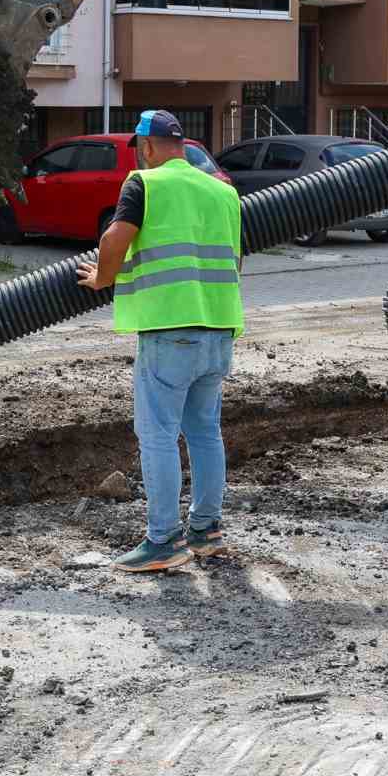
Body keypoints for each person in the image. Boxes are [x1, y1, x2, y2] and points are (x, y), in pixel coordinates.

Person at [76, 110, 243, 572]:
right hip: (219, 328)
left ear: (146, 147)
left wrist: (102, 277)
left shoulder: (144, 184)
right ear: (182, 145)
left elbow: (116, 236)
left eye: (139, 149)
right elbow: (235, 260)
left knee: (158, 436)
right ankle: (207, 530)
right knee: (206, 431)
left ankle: (164, 540)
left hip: (171, 333)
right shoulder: (223, 191)